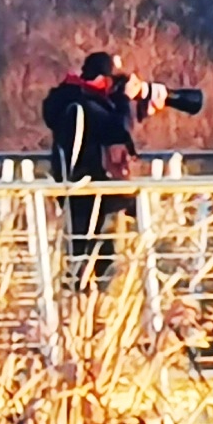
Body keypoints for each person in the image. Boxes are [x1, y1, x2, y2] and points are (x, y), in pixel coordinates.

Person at [41, 51, 151, 276]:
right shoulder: (86, 104)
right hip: (88, 183)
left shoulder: (68, 99)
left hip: (77, 183)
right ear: (103, 79)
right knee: (89, 246)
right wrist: (124, 99)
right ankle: (88, 287)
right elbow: (118, 130)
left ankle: (83, 286)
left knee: (83, 244)